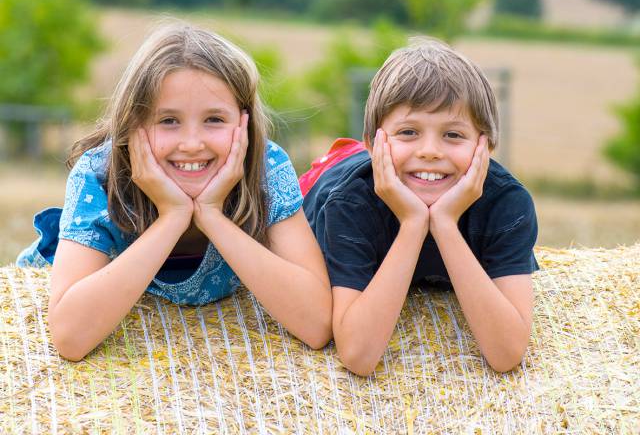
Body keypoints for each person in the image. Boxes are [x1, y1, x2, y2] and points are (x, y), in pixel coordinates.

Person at [18, 23, 332, 360]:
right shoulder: (99, 175)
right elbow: (70, 338)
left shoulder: (266, 169)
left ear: (244, 124)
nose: (192, 144)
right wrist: (173, 218)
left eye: (214, 119)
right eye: (168, 121)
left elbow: (316, 325)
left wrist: (212, 215)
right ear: (133, 124)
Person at [301, 38, 538, 376]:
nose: (430, 150)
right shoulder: (349, 204)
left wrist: (444, 223)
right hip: (330, 179)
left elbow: (506, 354)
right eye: (409, 132)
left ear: (485, 146)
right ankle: (350, 152)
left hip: (402, 172)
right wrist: (413, 223)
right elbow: (357, 355)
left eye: (453, 135)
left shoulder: (506, 204)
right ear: (375, 144)